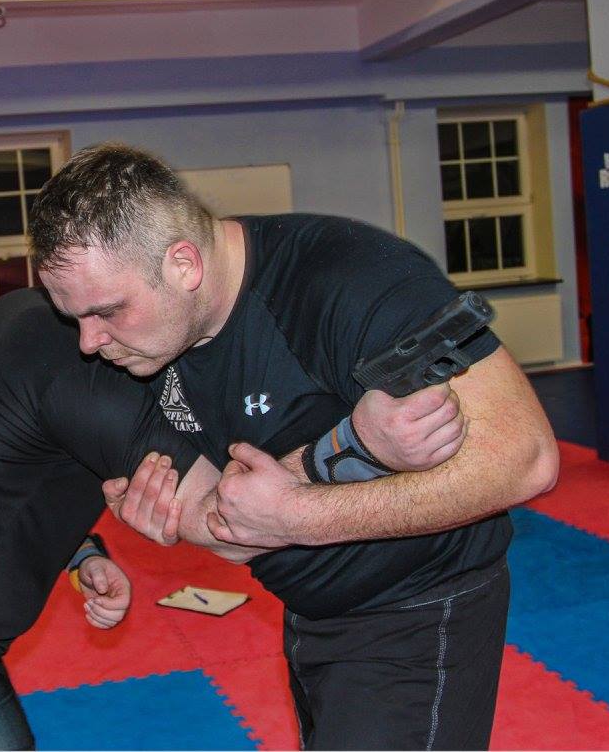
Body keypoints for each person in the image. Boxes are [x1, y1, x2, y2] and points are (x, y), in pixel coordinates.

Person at [28, 142, 560, 750]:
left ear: (183, 265)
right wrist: (196, 521)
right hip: (309, 615)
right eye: (74, 318)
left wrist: (297, 515)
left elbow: (526, 457)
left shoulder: (350, 278)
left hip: (419, 609)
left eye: (106, 312)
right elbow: (236, 526)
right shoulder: (150, 341)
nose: (88, 342)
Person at [0, 284, 454, 751]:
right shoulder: (95, 379)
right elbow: (231, 523)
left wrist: (82, 552)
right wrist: (357, 447)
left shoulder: (27, 317)